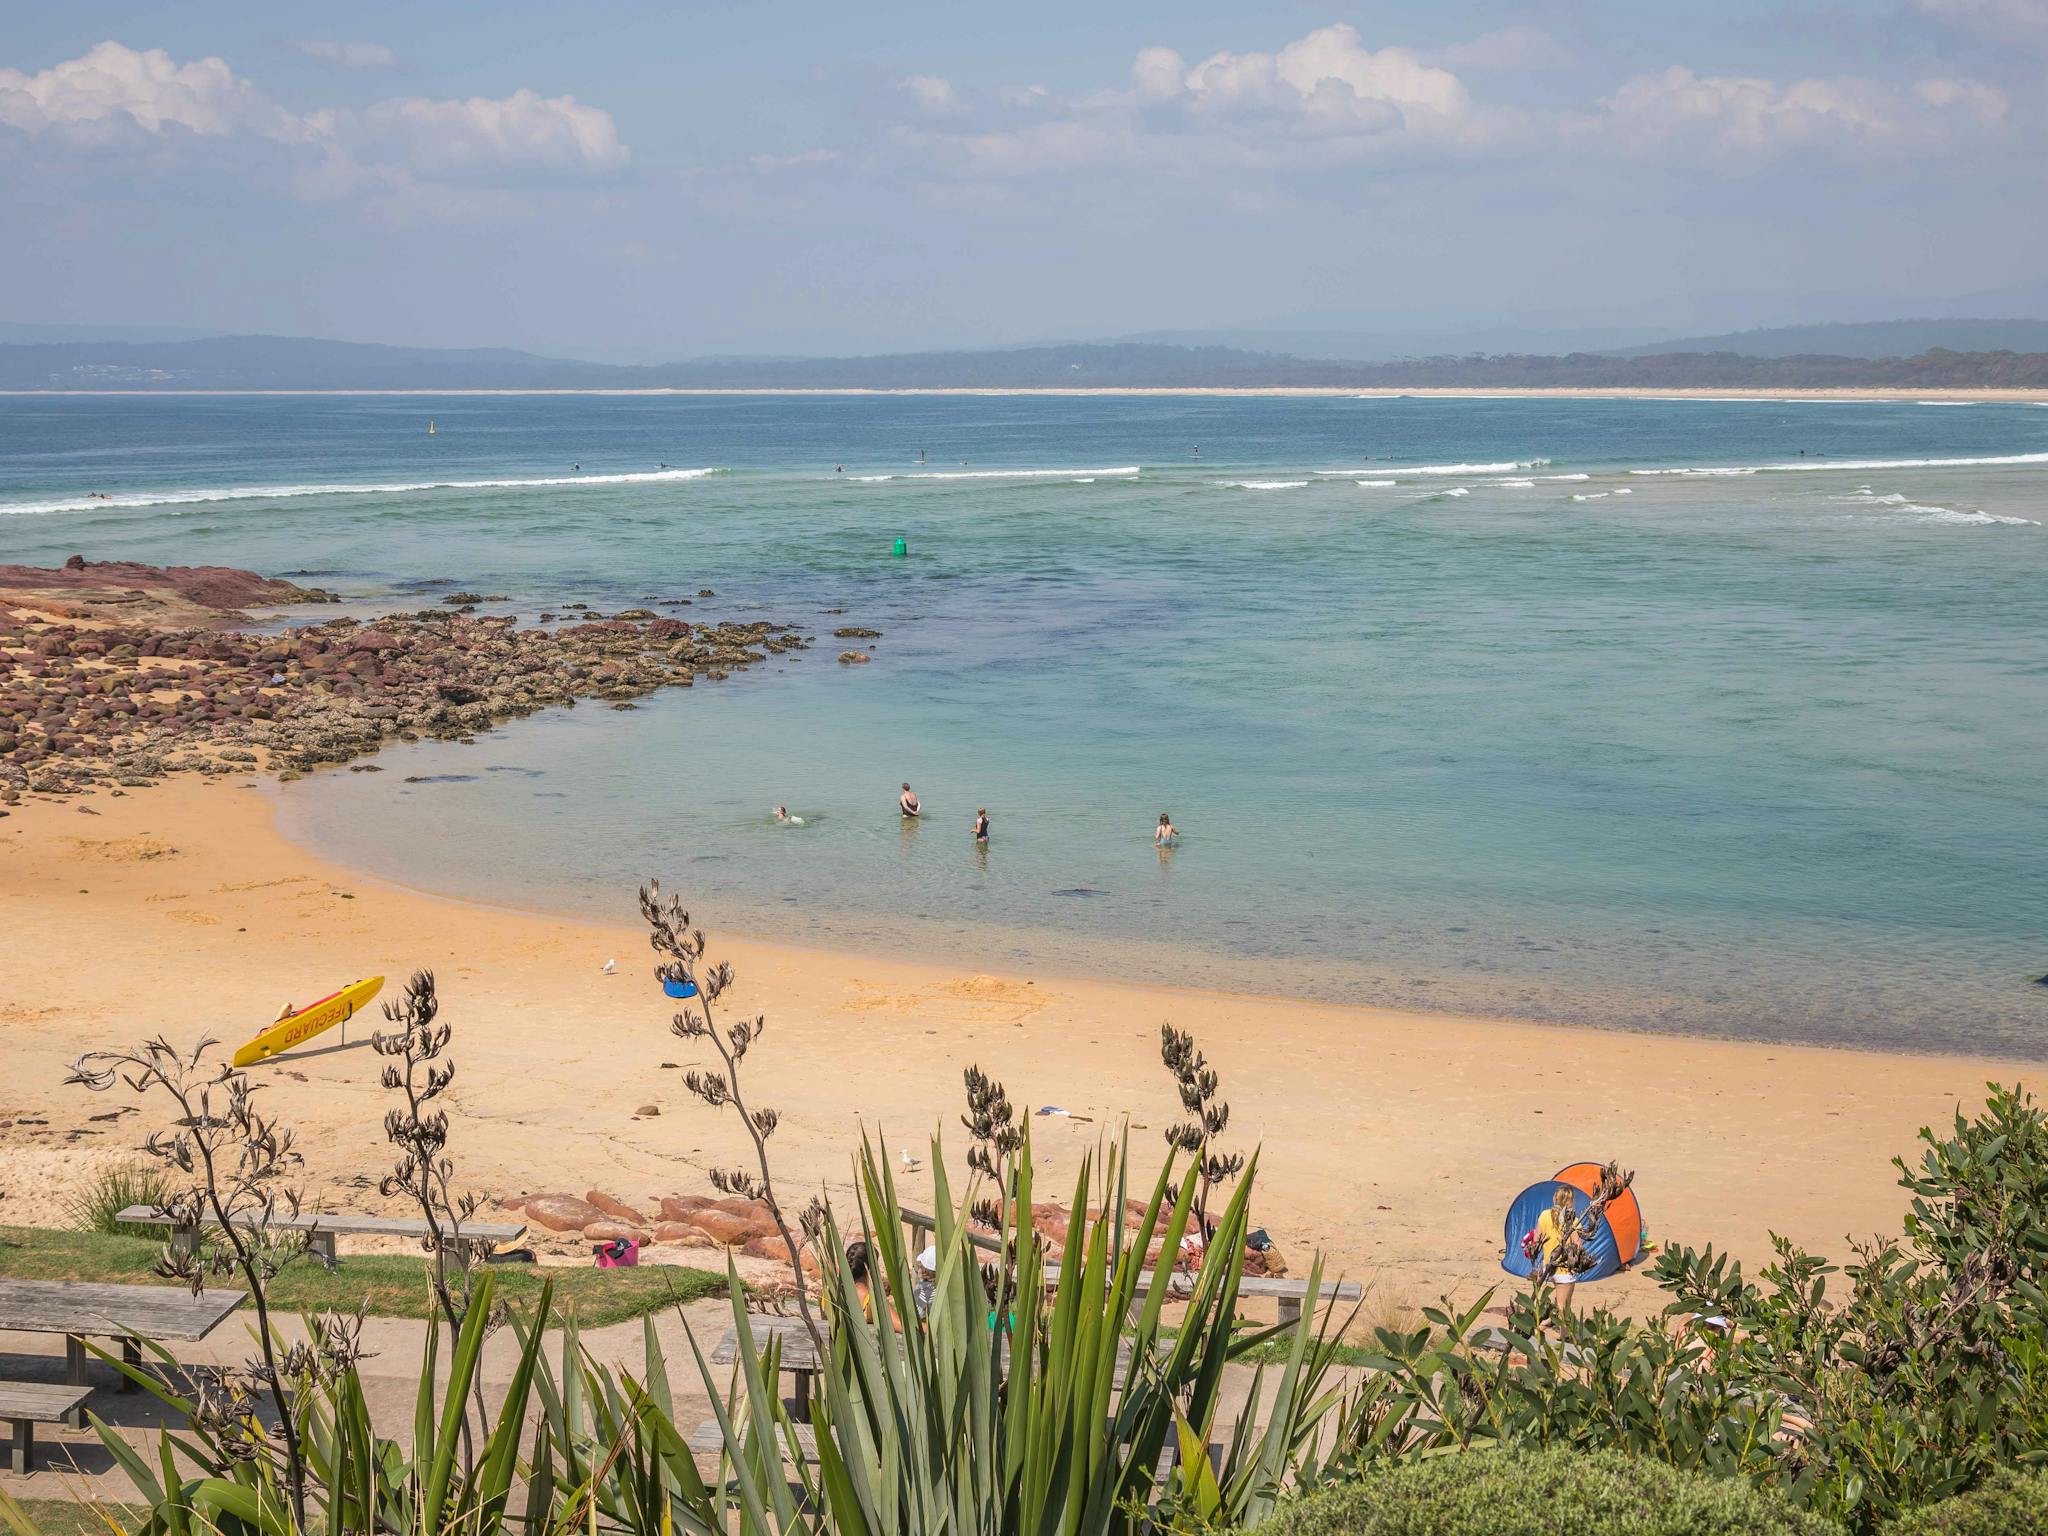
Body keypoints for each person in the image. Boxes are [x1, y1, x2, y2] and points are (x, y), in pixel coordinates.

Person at [1536, 1186, 1585, 1319]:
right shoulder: (1572, 1221)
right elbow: (1577, 1245)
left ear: (1554, 1198)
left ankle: (1548, 1323)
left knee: (1560, 1301)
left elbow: (1537, 1241)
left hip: (1549, 1266)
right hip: (1564, 1268)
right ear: (1571, 1201)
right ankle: (1562, 1336)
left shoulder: (1544, 1215)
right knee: (1564, 1307)